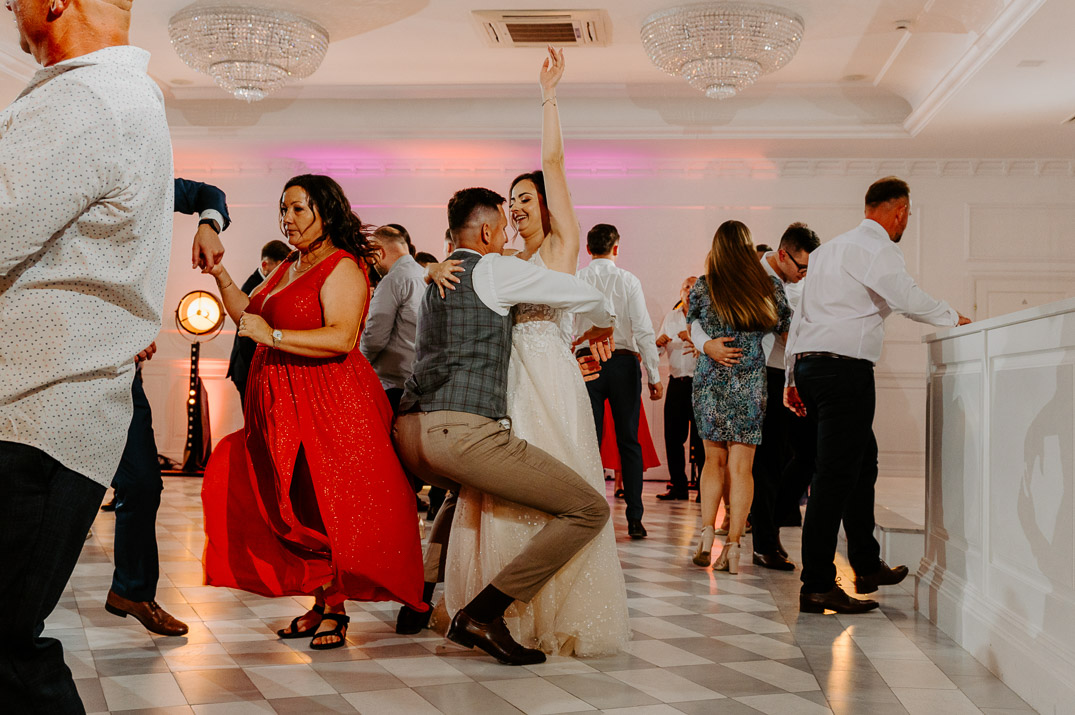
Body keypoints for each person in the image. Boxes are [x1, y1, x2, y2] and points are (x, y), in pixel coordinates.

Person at [0, 0, 176, 708]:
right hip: (45, 413)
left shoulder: (87, 99)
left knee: (7, 652)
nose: (8, 5)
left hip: (31, 415)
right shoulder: (118, 96)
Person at [437, 48, 630, 657]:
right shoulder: (504, 260)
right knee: (500, 492)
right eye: (511, 199)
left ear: (547, 204)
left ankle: (546, 611)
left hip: (550, 379)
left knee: (562, 488)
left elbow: (554, 162)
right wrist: (437, 268)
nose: (517, 206)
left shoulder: (560, 246)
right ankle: (492, 608)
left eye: (526, 197)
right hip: (505, 382)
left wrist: (548, 95)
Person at [393, 185, 619, 666]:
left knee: (462, 496)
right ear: (487, 232)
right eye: (501, 225)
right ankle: (482, 614)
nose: (507, 233)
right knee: (587, 508)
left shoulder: (436, 278)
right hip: (457, 433)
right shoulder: (493, 269)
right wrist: (604, 322)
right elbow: (584, 293)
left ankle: (419, 595)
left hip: (411, 434)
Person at [201, 175, 426, 650]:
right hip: (283, 403)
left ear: (325, 211)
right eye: (284, 209)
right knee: (296, 503)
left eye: (299, 209)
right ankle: (322, 601)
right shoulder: (290, 263)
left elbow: (341, 338)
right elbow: (249, 315)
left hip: (328, 402)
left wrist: (273, 337)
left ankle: (337, 609)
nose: (288, 218)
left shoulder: (342, 265)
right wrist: (220, 274)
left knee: (327, 504)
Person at [785, 176, 970, 614]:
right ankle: (817, 585)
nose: (906, 221)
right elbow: (906, 297)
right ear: (899, 211)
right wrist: (954, 318)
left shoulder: (828, 250)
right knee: (833, 477)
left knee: (862, 461)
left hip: (812, 366)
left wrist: (792, 375)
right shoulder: (878, 247)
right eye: (907, 214)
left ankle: (867, 565)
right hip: (844, 372)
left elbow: (801, 314)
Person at [102, 179, 233, 638]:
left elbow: (208, 195)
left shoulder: (141, 178)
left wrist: (208, 226)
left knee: (142, 483)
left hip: (123, 374)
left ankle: (133, 590)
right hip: (57, 368)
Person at [689, 220, 791, 574]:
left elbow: (691, 324)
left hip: (711, 378)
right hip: (749, 381)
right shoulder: (767, 286)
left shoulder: (704, 286)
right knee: (742, 468)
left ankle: (706, 534)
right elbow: (788, 331)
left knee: (712, 461)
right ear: (749, 248)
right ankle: (732, 546)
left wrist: (707, 345)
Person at [575, 223, 662, 538]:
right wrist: (654, 375)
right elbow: (643, 329)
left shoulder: (578, 279)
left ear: (588, 249)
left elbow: (568, 326)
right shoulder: (628, 280)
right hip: (624, 362)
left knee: (589, 441)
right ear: (616, 248)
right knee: (629, 441)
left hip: (587, 362)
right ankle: (635, 518)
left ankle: (588, 514)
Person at [750, 223, 821, 571]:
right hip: (764, 373)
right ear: (782, 255)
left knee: (807, 454)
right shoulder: (754, 276)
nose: (804, 274)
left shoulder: (798, 279)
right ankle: (764, 543)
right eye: (801, 267)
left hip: (795, 373)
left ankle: (771, 523)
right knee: (768, 461)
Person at [361, 225, 427, 412]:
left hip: (394, 386)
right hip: (420, 381)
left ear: (379, 253)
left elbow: (374, 337)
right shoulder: (424, 275)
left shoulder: (393, 280)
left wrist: (359, 365)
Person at [656, 276, 706, 500]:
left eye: (694, 288)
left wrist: (693, 339)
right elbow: (657, 351)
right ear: (680, 292)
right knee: (673, 438)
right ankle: (678, 486)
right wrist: (658, 344)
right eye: (686, 287)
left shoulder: (707, 318)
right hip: (677, 383)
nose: (690, 291)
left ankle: (705, 489)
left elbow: (713, 350)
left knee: (702, 439)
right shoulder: (671, 317)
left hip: (701, 385)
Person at [227, 240, 291, 405]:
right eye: (280, 267)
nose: (284, 272)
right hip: (247, 368)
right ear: (265, 265)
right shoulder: (252, 288)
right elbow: (247, 336)